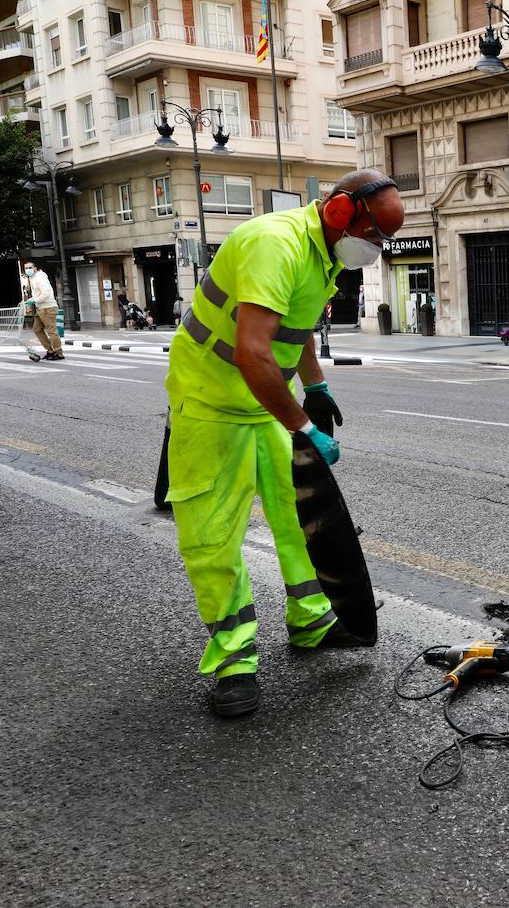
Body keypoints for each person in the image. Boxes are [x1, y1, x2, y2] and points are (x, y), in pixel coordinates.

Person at [164, 168, 404, 718]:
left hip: (263, 402)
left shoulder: (322, 256)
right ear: (340, 211)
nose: (375, 248)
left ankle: (312, 621)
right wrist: (302, 426)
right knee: (213, 538)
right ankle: (233, 659)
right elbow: (253, 351)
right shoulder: (276, 244)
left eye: (383, 240)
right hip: (209, 406)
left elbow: (293, 335)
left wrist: (315, 387)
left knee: (300, 516)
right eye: (373, 235)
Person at [22, 262, 64, 360]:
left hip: (47, 307)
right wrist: (31, 300)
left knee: (51, 331)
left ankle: (58, 353)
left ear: (35, 268)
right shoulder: (34, 278)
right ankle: (50, 350)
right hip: (41, 308)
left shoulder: (40, 278)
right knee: (37, 329)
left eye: (30, 267)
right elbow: (39, 294)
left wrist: (34, 300)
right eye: (26, 268)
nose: (28, 270)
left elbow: (46, 294)